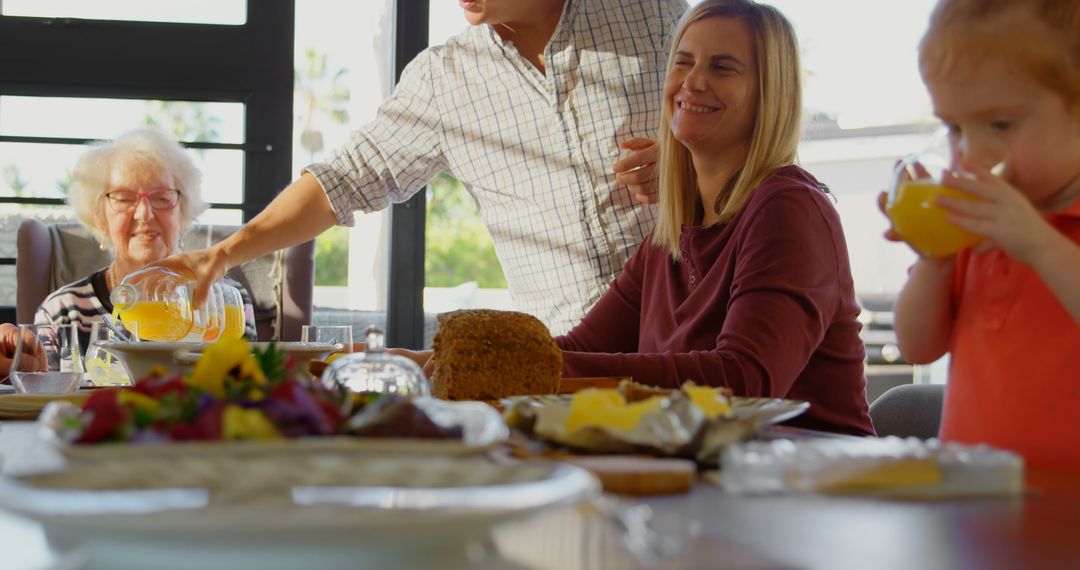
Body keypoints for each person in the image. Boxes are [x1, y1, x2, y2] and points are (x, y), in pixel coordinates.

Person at [402, 0, 874, 436]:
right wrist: (435, 361)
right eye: (683, 62)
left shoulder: (789, 208)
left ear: (770, 94)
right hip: (718, 486)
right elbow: (580, 349)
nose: (693, 82)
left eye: (722, 68)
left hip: (817, 493)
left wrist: (523, 369)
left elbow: (743, 379)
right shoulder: (672, 229)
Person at [158, 0, 687, 336]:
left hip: (693, 329)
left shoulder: (654, 16)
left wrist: (688, 157)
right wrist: (226, 253)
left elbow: (756, 130)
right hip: (568, 358)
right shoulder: (444, 79)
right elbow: (343, 180)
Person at [891, 0, 1080, 471]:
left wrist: (1039, 244)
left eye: (1000, 124)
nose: (971, 154)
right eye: (954, 127)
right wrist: (934, 259)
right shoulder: (975, 227)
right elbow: (917, 346)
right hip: (973, 509)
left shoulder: (1024, 231)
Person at [34, 128, 258, 348]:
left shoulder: (225, 301)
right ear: (100, 216)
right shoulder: (62, 311)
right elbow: (46, 385)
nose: (144, 214)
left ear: (184, 213)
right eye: (123, 199)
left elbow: (241, 382)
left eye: (161, 197)